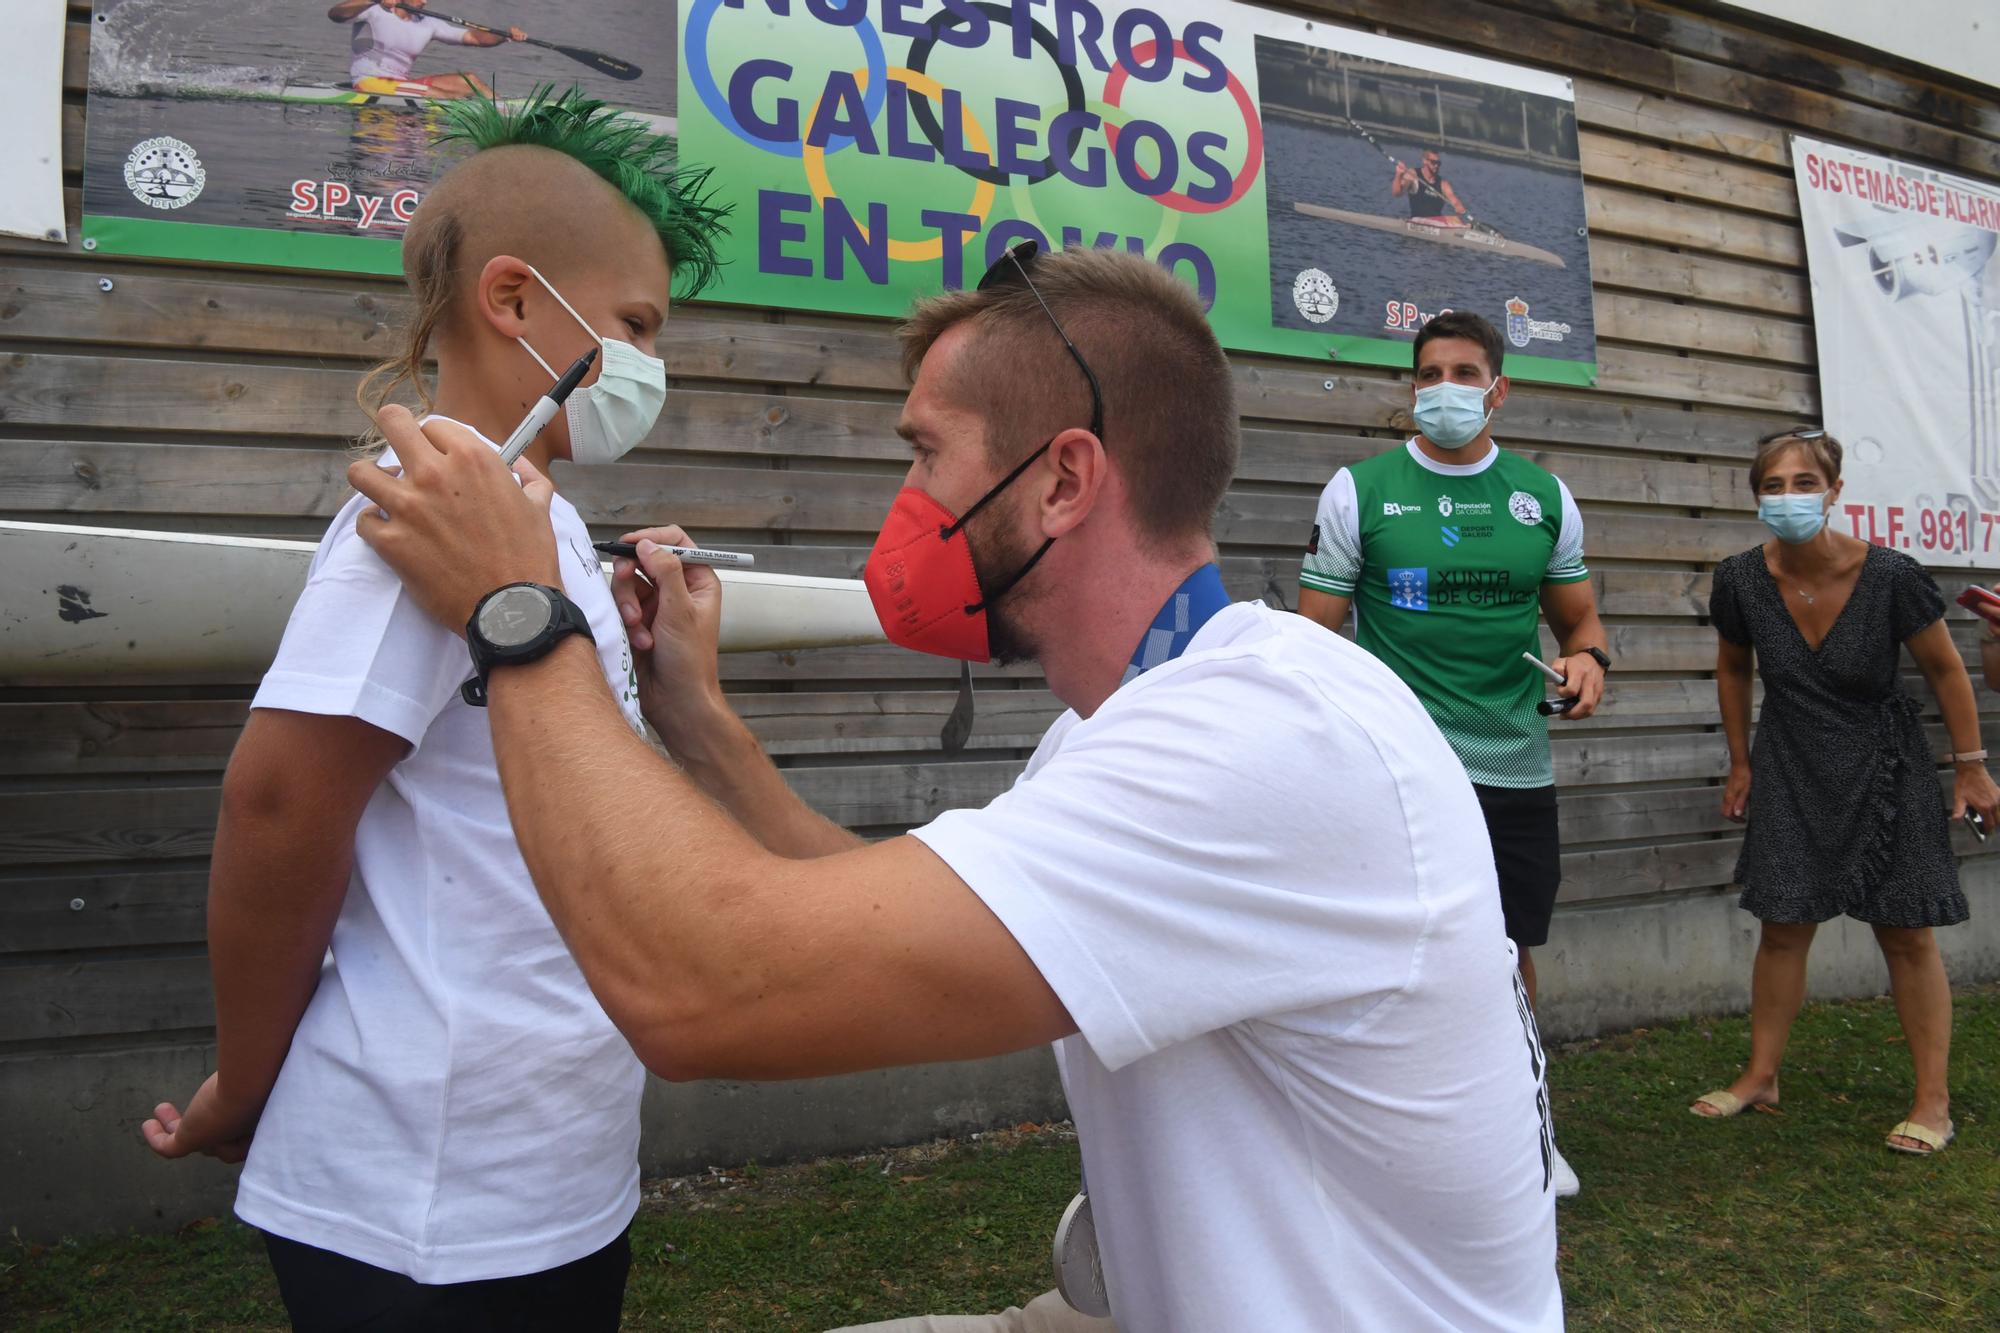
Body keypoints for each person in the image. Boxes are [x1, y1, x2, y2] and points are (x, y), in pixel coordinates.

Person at [346, 244, 1564, 1331]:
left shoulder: (1261, 741)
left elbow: (702, 988)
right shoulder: (1153, 713)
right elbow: (865, 906)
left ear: (1063, 481)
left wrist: (519, 613)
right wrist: (693, 718)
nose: (907, 499)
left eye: (926, 451)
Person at [138, 88, 728, 1328]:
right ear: (512, 301)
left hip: (547, 1164)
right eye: (633, 324)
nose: (649, 366)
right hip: (423, 1200)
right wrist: (245, 1087)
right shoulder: (416, 523)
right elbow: (280, 800)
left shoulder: (544, 525)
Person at [1297, 309, 1607, 1199]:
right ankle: (1384, 1136)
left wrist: (1587, 661)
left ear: (1498, 390)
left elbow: (1580, 621)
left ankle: (1523, 1134)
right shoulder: (1359, 490)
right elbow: (1316, 640)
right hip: (1399, 768)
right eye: (1429, 373)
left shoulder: (1543, 498)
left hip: (1514, 761)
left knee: (1508, 954)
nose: (1444, 389)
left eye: (1465, 373)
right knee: (1389, 950)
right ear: (1411, 387)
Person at [1691, 428, 1996, 1156]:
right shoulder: (1738, 580)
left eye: (1805, 483)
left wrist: (1973, 764)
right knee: (1784, 922)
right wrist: (1740, 761)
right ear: (1755, 495)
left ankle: (1933, 1101)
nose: (1789, 497)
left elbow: (1948, 672)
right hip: (1790, 761)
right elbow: (1733, 669)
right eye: (1773, 484)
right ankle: (1761, 1075)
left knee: (1905, 928)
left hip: (1887, 766)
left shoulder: (1891, 574)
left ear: (1835, 491)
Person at [328, 0, 525, 100]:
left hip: (401, 84)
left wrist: (504, 35)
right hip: (369, 82)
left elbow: (474, 37)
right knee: (438, 95)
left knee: (469, 81)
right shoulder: (374, 11)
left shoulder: (428, 24)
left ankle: (505, 110)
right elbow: (335, 14)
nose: (425, 2)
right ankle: (478, 113)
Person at [1391, 148, 1466, 221]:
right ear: (1425, 161)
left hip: (1436, 223)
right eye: (1433, 162)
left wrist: (1458, 206)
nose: (1436, 166)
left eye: (1438, 163)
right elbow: (1397, 193)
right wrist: (1399, 175)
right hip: (1417, 221)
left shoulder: (1443, 184)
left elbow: (1454, 200)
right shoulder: (1413, 175)